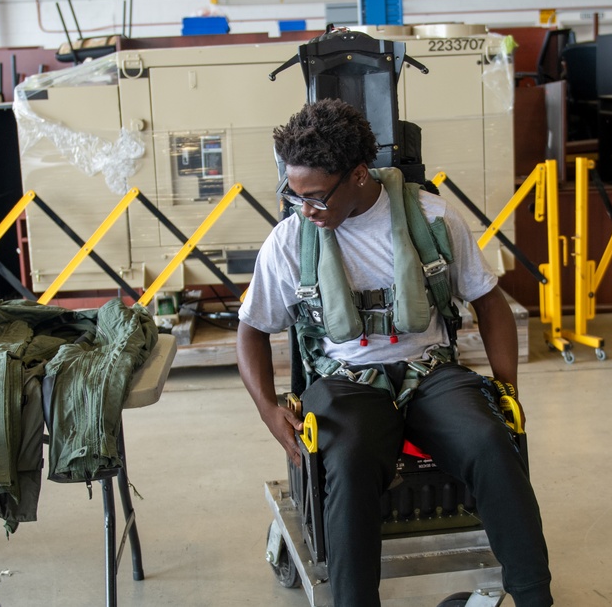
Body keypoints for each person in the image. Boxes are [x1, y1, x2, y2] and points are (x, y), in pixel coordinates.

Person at [237, 99, 552, 606]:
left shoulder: (432, 218)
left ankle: (535, 597)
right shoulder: (291, 240)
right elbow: (251, 328)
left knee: (491, 441)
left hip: (429, 371)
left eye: (316, 196)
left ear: (359, 175)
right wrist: (268, 409)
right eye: (294, 196)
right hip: (346, 379)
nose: (306, 210)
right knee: (350, 459)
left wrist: (505, 386)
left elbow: (488, 300)